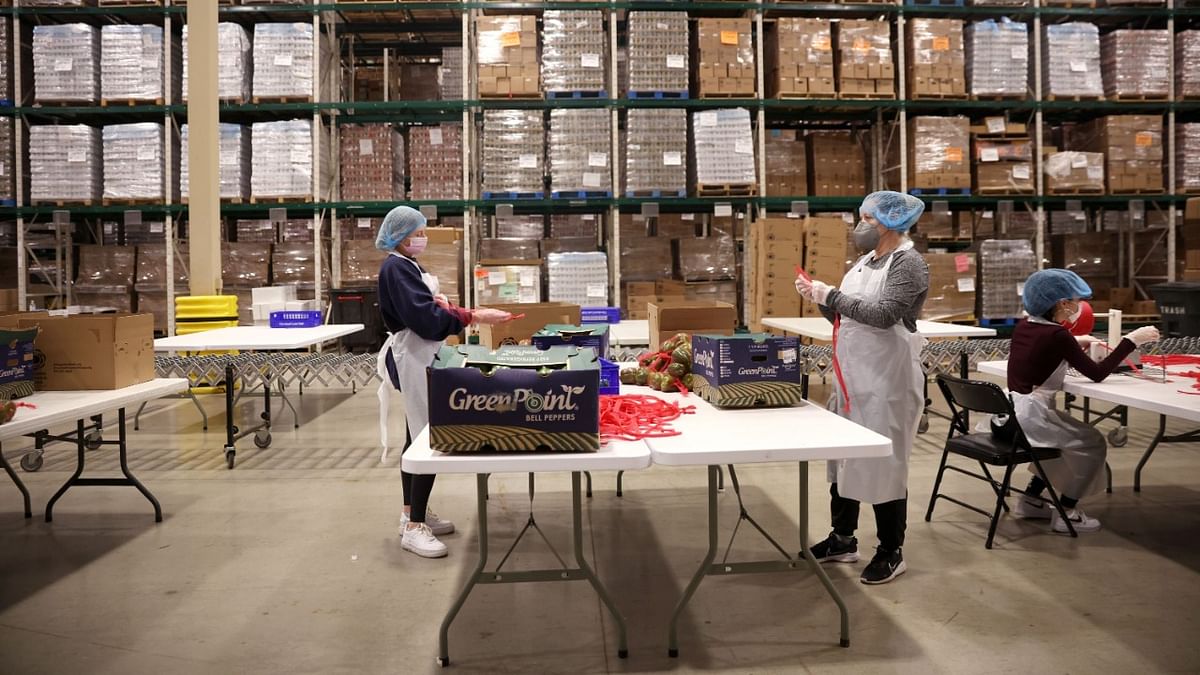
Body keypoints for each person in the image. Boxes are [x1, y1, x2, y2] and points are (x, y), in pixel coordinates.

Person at [795, 190, 929, 585]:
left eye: (866, 219)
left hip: (888, 381)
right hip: (852, 378)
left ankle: (891, 549)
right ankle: (843, 539)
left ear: (887, 222)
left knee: (886, 464)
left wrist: (830, 295)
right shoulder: (864, 263)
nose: (860, 226)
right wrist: (819, 297)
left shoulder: (909, 263)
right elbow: (846, 313)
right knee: (844, 458)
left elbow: (884, 314)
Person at [374, 206, 512, 558]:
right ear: (403, 236)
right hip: (416, 354)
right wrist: (473, 316)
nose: (423, 237)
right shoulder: (396, 268)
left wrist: (450, 308)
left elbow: (430, 306)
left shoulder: (408, 266)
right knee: (425, 437)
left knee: (413, 434)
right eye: (419, 232)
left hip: (425, 353)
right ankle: (414, 528)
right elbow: (425, 318)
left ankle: (411, 513)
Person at [1002, 268, 1159, 534]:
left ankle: (1031, 499)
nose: (1078, 305)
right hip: (1032, 418)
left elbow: (1042, 343)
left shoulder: (1024, 326)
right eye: (1074, 299)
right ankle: (1068, 512)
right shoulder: (1059, 336)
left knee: (1063, 442)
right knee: (1091, 444)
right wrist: (1131, 341)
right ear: (1061, 303)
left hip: (1009, 414)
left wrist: (1074, 341)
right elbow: (1097, 373)